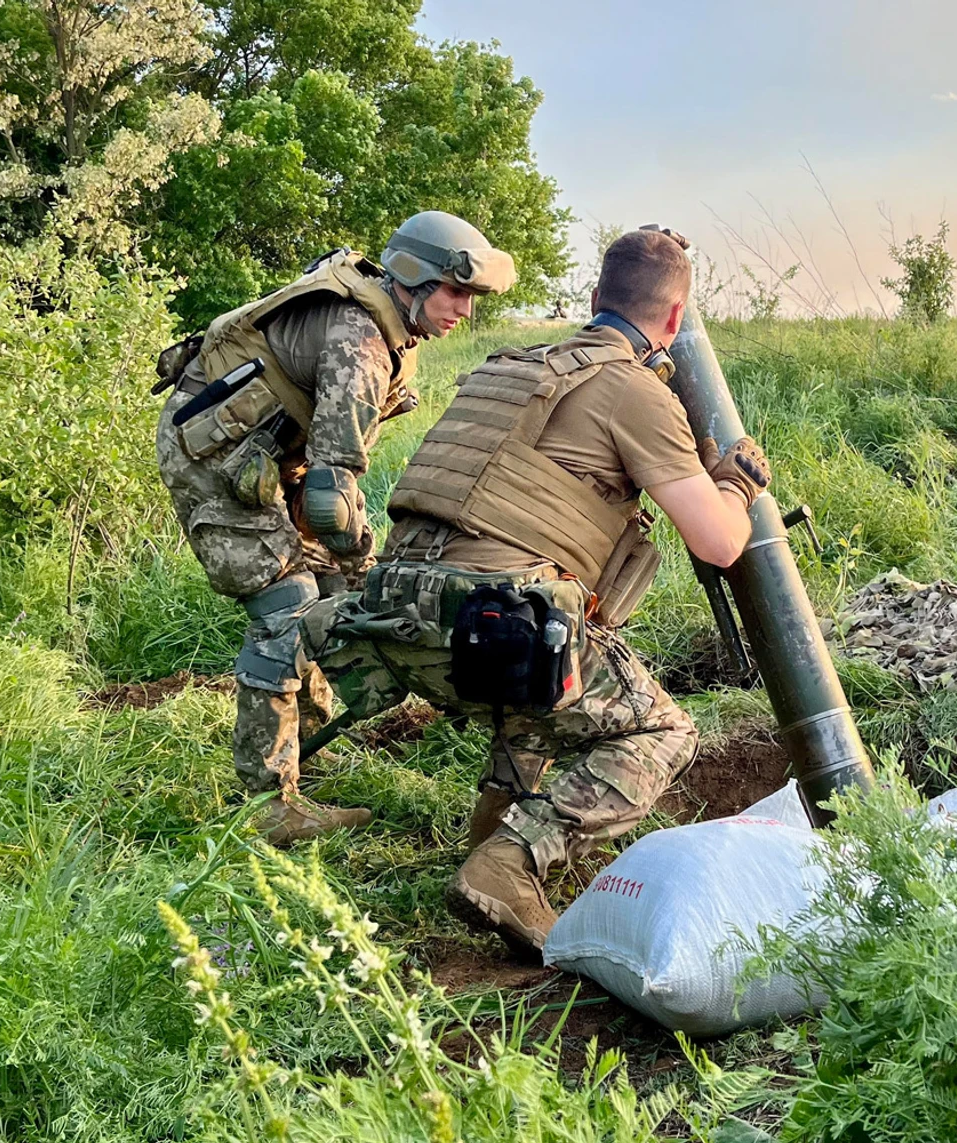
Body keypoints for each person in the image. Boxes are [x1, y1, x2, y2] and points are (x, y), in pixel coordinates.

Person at [307, 225, 773, 953]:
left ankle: (490, 836)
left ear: (593, 301)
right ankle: (511, 861)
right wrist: (737, 480)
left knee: (548, 663)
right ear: (675, 320)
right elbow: (716, 540)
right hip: (486, 623)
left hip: (390, 611)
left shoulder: (511, 365)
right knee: (663, 729)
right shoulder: (632, 391)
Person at [153, 211, 515, 846]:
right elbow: (331, 502)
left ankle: (307, 748)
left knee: (323, 593)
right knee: (287, 610)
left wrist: (344, 573)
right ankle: (268, 803)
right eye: (456, 292)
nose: (465, 309)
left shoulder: (382, 322)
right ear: (413, 278)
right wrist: (368, 567)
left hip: (266, 460)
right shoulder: (362, 345)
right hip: (212, 461)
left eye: (472, 296)